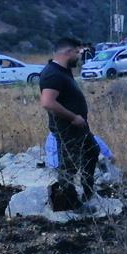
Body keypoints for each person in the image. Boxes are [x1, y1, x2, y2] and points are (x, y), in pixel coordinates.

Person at [38, 37, 102, 212]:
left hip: (79, 127)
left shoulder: (63, 71)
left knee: (92, 151)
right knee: (69, 167)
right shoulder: (53, 73)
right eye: (77, 53)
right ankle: (71, 204)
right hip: (67, 128)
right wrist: (73, 117)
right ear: (68, 52)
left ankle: (87, 191)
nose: (79, 56)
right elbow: (47, 102)